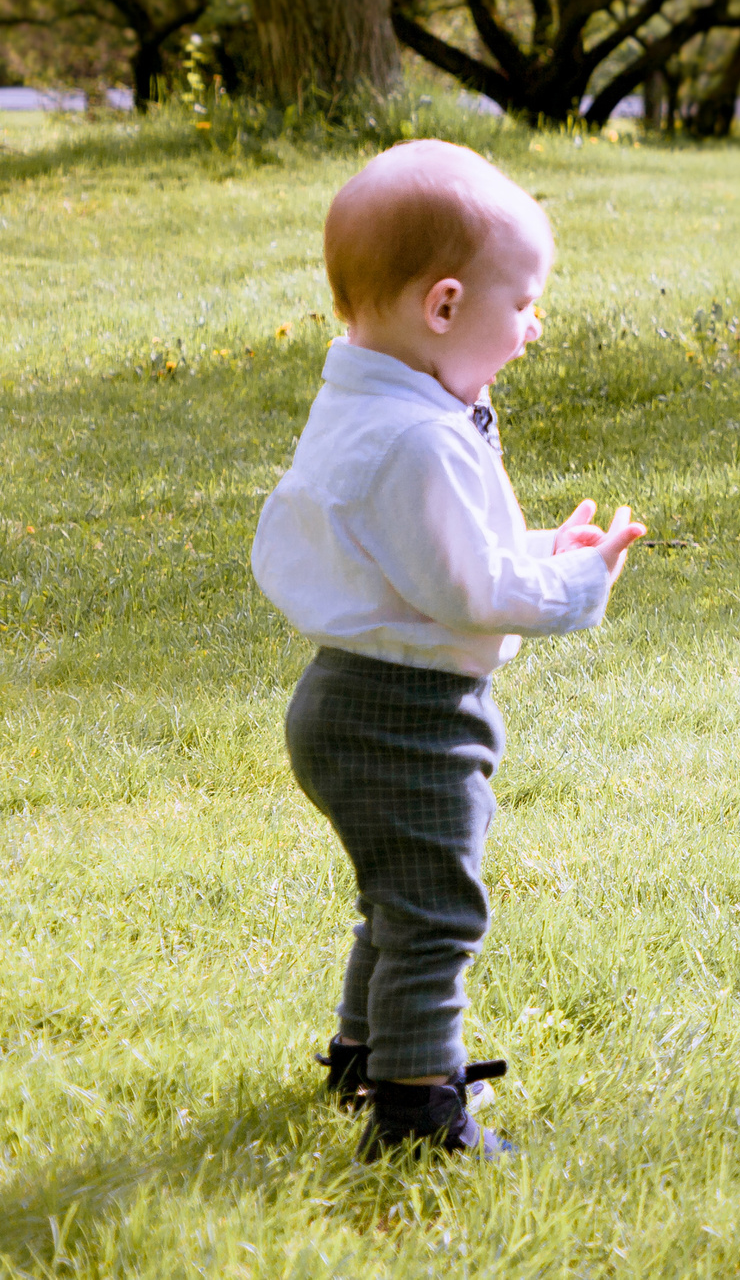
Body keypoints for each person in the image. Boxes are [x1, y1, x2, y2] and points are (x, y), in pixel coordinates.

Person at [252, 139, 646, 1157]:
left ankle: (365, 1055)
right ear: (443, 306)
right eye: (522, 304)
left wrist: (538, 549)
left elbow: (425, 557)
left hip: (354, 699)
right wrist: (577, 583)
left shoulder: (375, 402)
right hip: (407, 717)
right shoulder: (418, 439)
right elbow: (467, 590)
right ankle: (417, 1110)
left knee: (398, 898)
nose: (532, 326)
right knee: (435, 912)